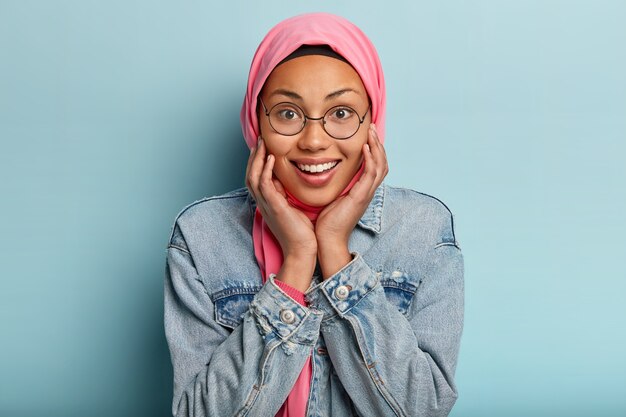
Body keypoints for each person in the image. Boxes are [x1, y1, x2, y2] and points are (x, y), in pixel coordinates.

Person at [164, 12, 464, 417]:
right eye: (288, 113)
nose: (314, 140)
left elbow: (420, 410)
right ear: (257, 123)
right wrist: (298, 258)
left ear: (372, 124)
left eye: (341, 113)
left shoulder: (423, 229)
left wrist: (335, 251)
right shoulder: (201, 235)